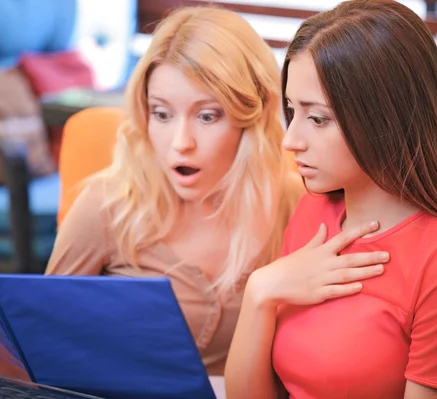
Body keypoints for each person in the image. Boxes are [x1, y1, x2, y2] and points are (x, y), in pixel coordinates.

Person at [225, 0, 437, 398]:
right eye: (293, 111)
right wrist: (261, 291)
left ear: (386, 120)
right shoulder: (314, 211)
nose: (290, 140)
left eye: (318, 119)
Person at [45, 6, 309, 375]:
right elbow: (40, 335)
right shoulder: (107, 203)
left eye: (207, 116)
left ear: (251, 117)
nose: (180, 143)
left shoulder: (297, 205)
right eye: (162, 114)